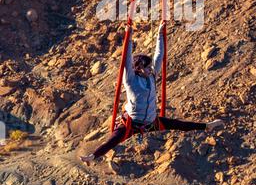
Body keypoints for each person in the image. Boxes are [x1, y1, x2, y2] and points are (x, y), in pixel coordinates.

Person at [80, 22, 223, 165]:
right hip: (132, 123)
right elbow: (127, 59)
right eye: (147, 67)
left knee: (179, 124)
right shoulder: (130, 80)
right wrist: (128, 37)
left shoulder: (151, 76)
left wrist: (160, 34)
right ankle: (92, 157)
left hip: (151, 121)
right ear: (139, 68)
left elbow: (159, 55)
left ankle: (207, 126)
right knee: (114, 139)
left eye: (150, 66)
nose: (150, 69)